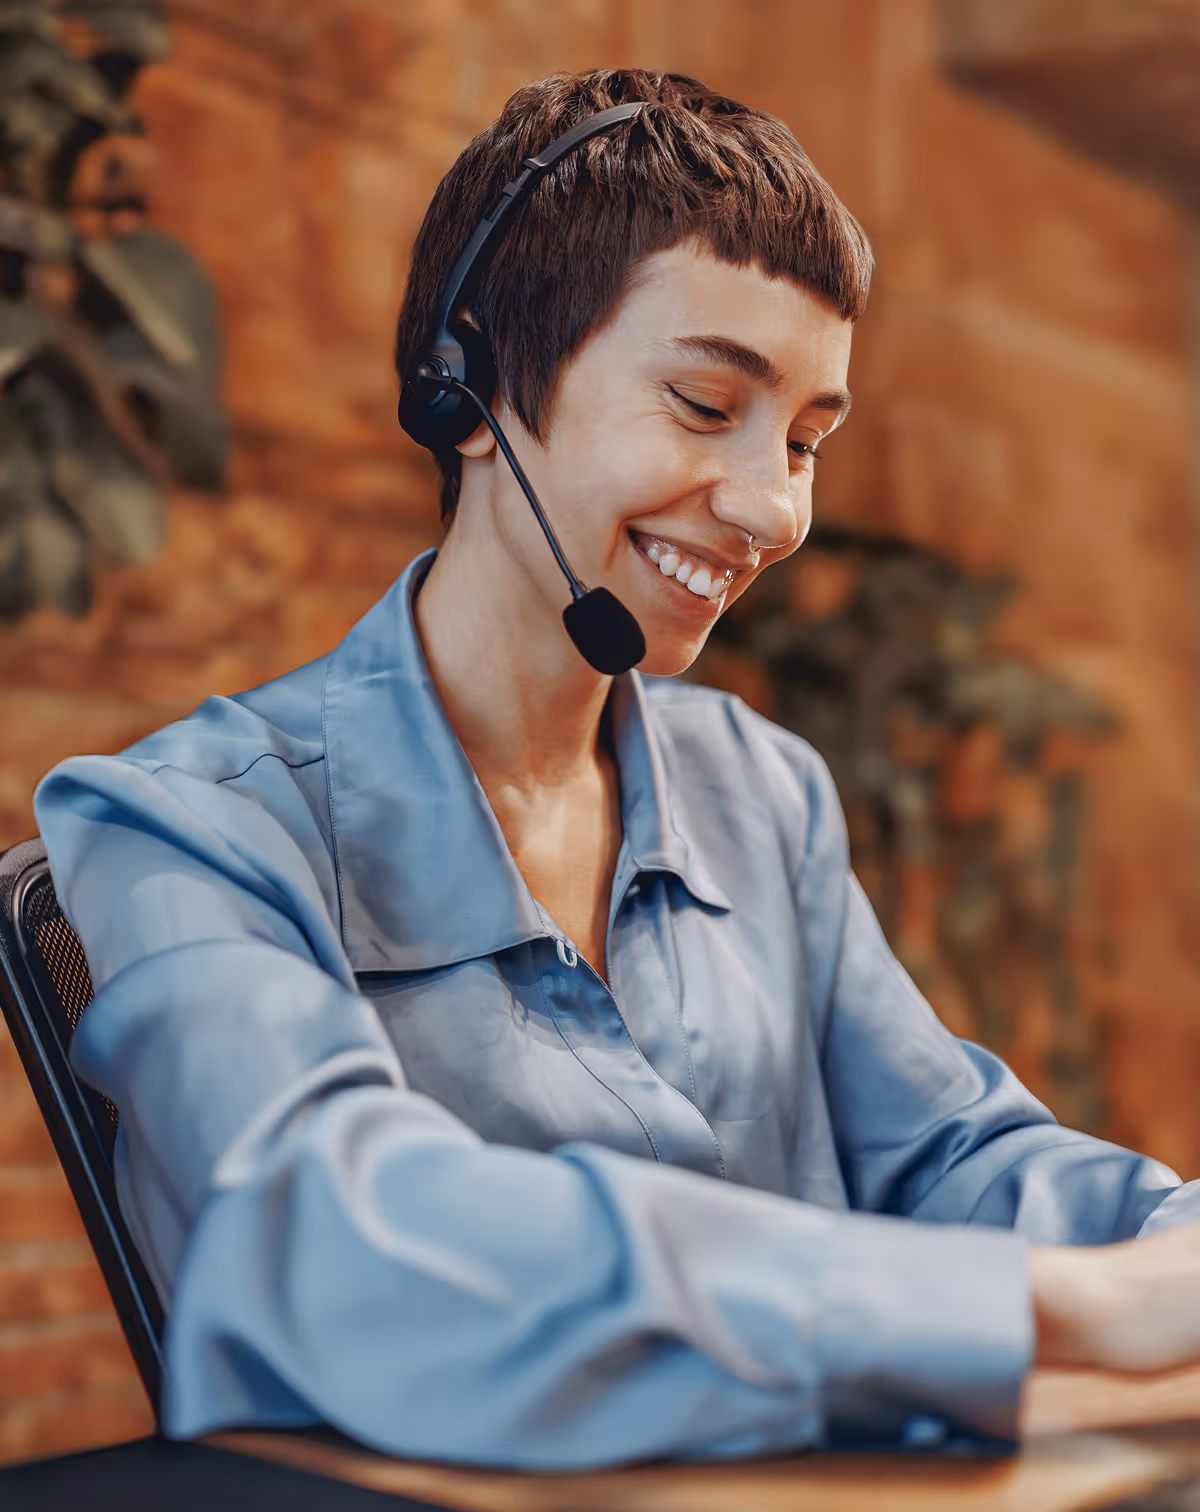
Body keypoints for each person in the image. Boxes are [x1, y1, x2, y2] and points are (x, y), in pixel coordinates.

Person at [34, 68, 1200, 1468]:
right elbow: (337, 1253)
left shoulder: (760, 789)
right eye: (709, 404)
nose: (773, 507)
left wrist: (1163, 1243)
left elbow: (949, 1157)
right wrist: (1046, 1309)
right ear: (466, 392)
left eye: (808, 440)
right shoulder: (186, 828)